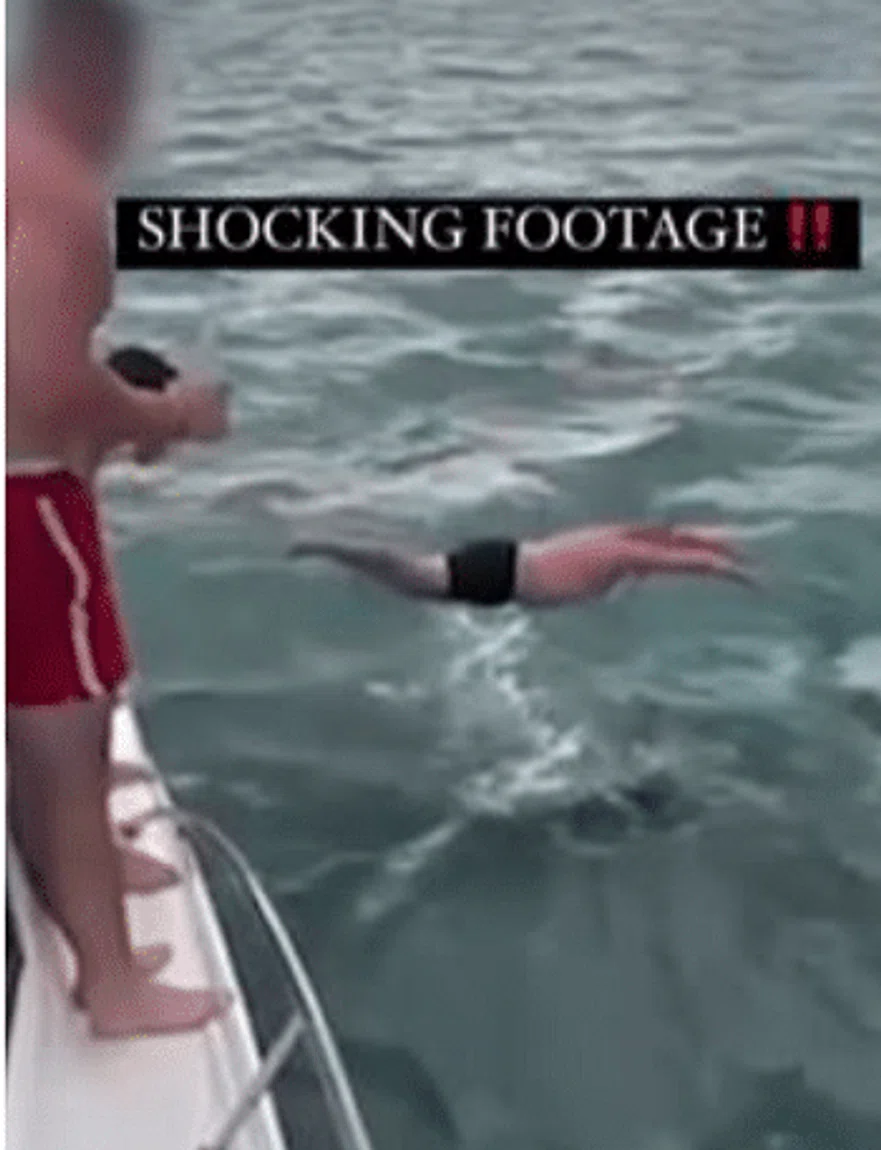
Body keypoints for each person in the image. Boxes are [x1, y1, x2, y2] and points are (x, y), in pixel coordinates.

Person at [8, 0, 233, 1038]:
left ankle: (88, 869)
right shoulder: (59, 195)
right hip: (23, 501)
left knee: (45, 728)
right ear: (96, 69)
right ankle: (111, 984)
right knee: (66, 732)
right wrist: (171, 416)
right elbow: (47, 385)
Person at [289, 523, 755, 607]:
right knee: (409, 578)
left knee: (412, 574)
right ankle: (329, 547)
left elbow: (662, 539)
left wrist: (712, 545)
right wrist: (736, 574)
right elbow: (678, 561)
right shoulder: (625, 553)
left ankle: (344, 553)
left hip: (508, 557)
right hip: (506, 578)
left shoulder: (617, 536)